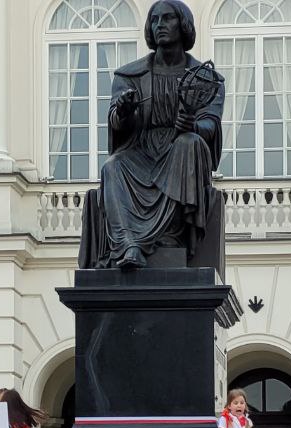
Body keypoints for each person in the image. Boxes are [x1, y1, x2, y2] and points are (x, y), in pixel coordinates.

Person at [82, 0, 224, 269]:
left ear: (183, 25)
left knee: (188, 143)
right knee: (113, 167)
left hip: (179, 152)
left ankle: (170, 238)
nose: (160, 25)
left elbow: (211, 126)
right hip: (142, 153)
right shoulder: (129, 75)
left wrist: (192, 125)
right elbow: (115, 122)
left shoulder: (205, 79)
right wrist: (123, 113)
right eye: (155, 20)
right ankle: (129, 246)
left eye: (168, 19)